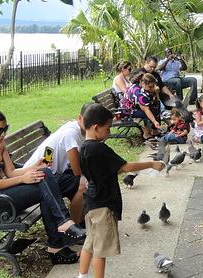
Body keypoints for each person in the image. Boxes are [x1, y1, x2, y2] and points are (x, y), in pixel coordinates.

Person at [0, 108, 86, 265]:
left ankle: (59, 240)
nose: (3, 134)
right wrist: (23, 179)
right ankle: (60, 233)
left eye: (5, 129)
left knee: (45, 173)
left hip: (2, 193)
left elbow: (11, 172)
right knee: (44, 183)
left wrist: (34, 167)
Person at [77, 104, 164, 278]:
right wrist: (151, 164)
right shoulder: (99, 148)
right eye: (108, 128)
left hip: (91, 202)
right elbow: (126, 166)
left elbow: (107, 169)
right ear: (95, 128)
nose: (109, 132)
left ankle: (82, 275)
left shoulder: (83, 148)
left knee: (90, 243)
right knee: (100, 251)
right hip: (103, 204)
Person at [24, 103, 91, 224]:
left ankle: (79, 222)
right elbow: (77, 170)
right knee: (83, 184)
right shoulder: (71, 133)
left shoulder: (76, 129)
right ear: (79, 118)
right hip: (38, 180)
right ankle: (75, 226)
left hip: (48, 176)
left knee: (83, 181)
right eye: (89, 120)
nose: (92, 125)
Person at [132, 73, 162, 139]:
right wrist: (154, 121)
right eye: (150, 87)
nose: (152, 88)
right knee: (149, 112)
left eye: (153, 86)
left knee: (156, 108)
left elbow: (156, 103)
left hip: (137, 107)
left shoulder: (145, 89)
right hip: (129, 110)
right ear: (143, 84)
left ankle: (154, 130)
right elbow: (146, 109)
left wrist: (156, 93)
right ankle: (146, 134)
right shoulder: (140, 94)